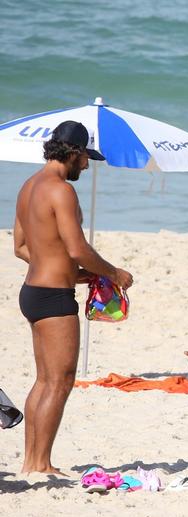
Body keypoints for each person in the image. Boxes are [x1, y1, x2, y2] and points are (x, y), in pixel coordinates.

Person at [14, 121, 134, 476]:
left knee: (43, 380)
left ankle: (31, 461)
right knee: (61, 380)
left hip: (33, 291)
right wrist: (114, 274)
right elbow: (78, 248)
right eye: (86, 158)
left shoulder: (28, 187)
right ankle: (41, 463)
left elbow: (21, 247)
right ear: (75, 152)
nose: (86, 165)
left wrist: (72, 274)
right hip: (54, 298)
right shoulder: (61, 190)